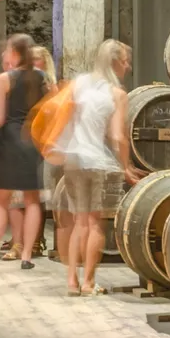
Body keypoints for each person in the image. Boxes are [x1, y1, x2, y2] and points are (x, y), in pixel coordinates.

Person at [51, 39, 141, 295]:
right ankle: (89, 283)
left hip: (73, 159)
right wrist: (125, 167)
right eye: (125, 61)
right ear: (115, 62)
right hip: (98, 162)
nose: (128, 66)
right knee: (95, 224)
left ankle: (71, 281)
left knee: (78, 221)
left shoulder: (79, 85)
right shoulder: (116, 94)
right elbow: (118, 136)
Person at [0, 34, 50, 269]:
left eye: (6, 51)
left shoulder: (5, 78)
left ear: (14, 53)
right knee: (33, 200)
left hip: (12, 141)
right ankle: (26, 255)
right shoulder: (43, 77)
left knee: (1, 200)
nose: (4, 55)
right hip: (34, 140)